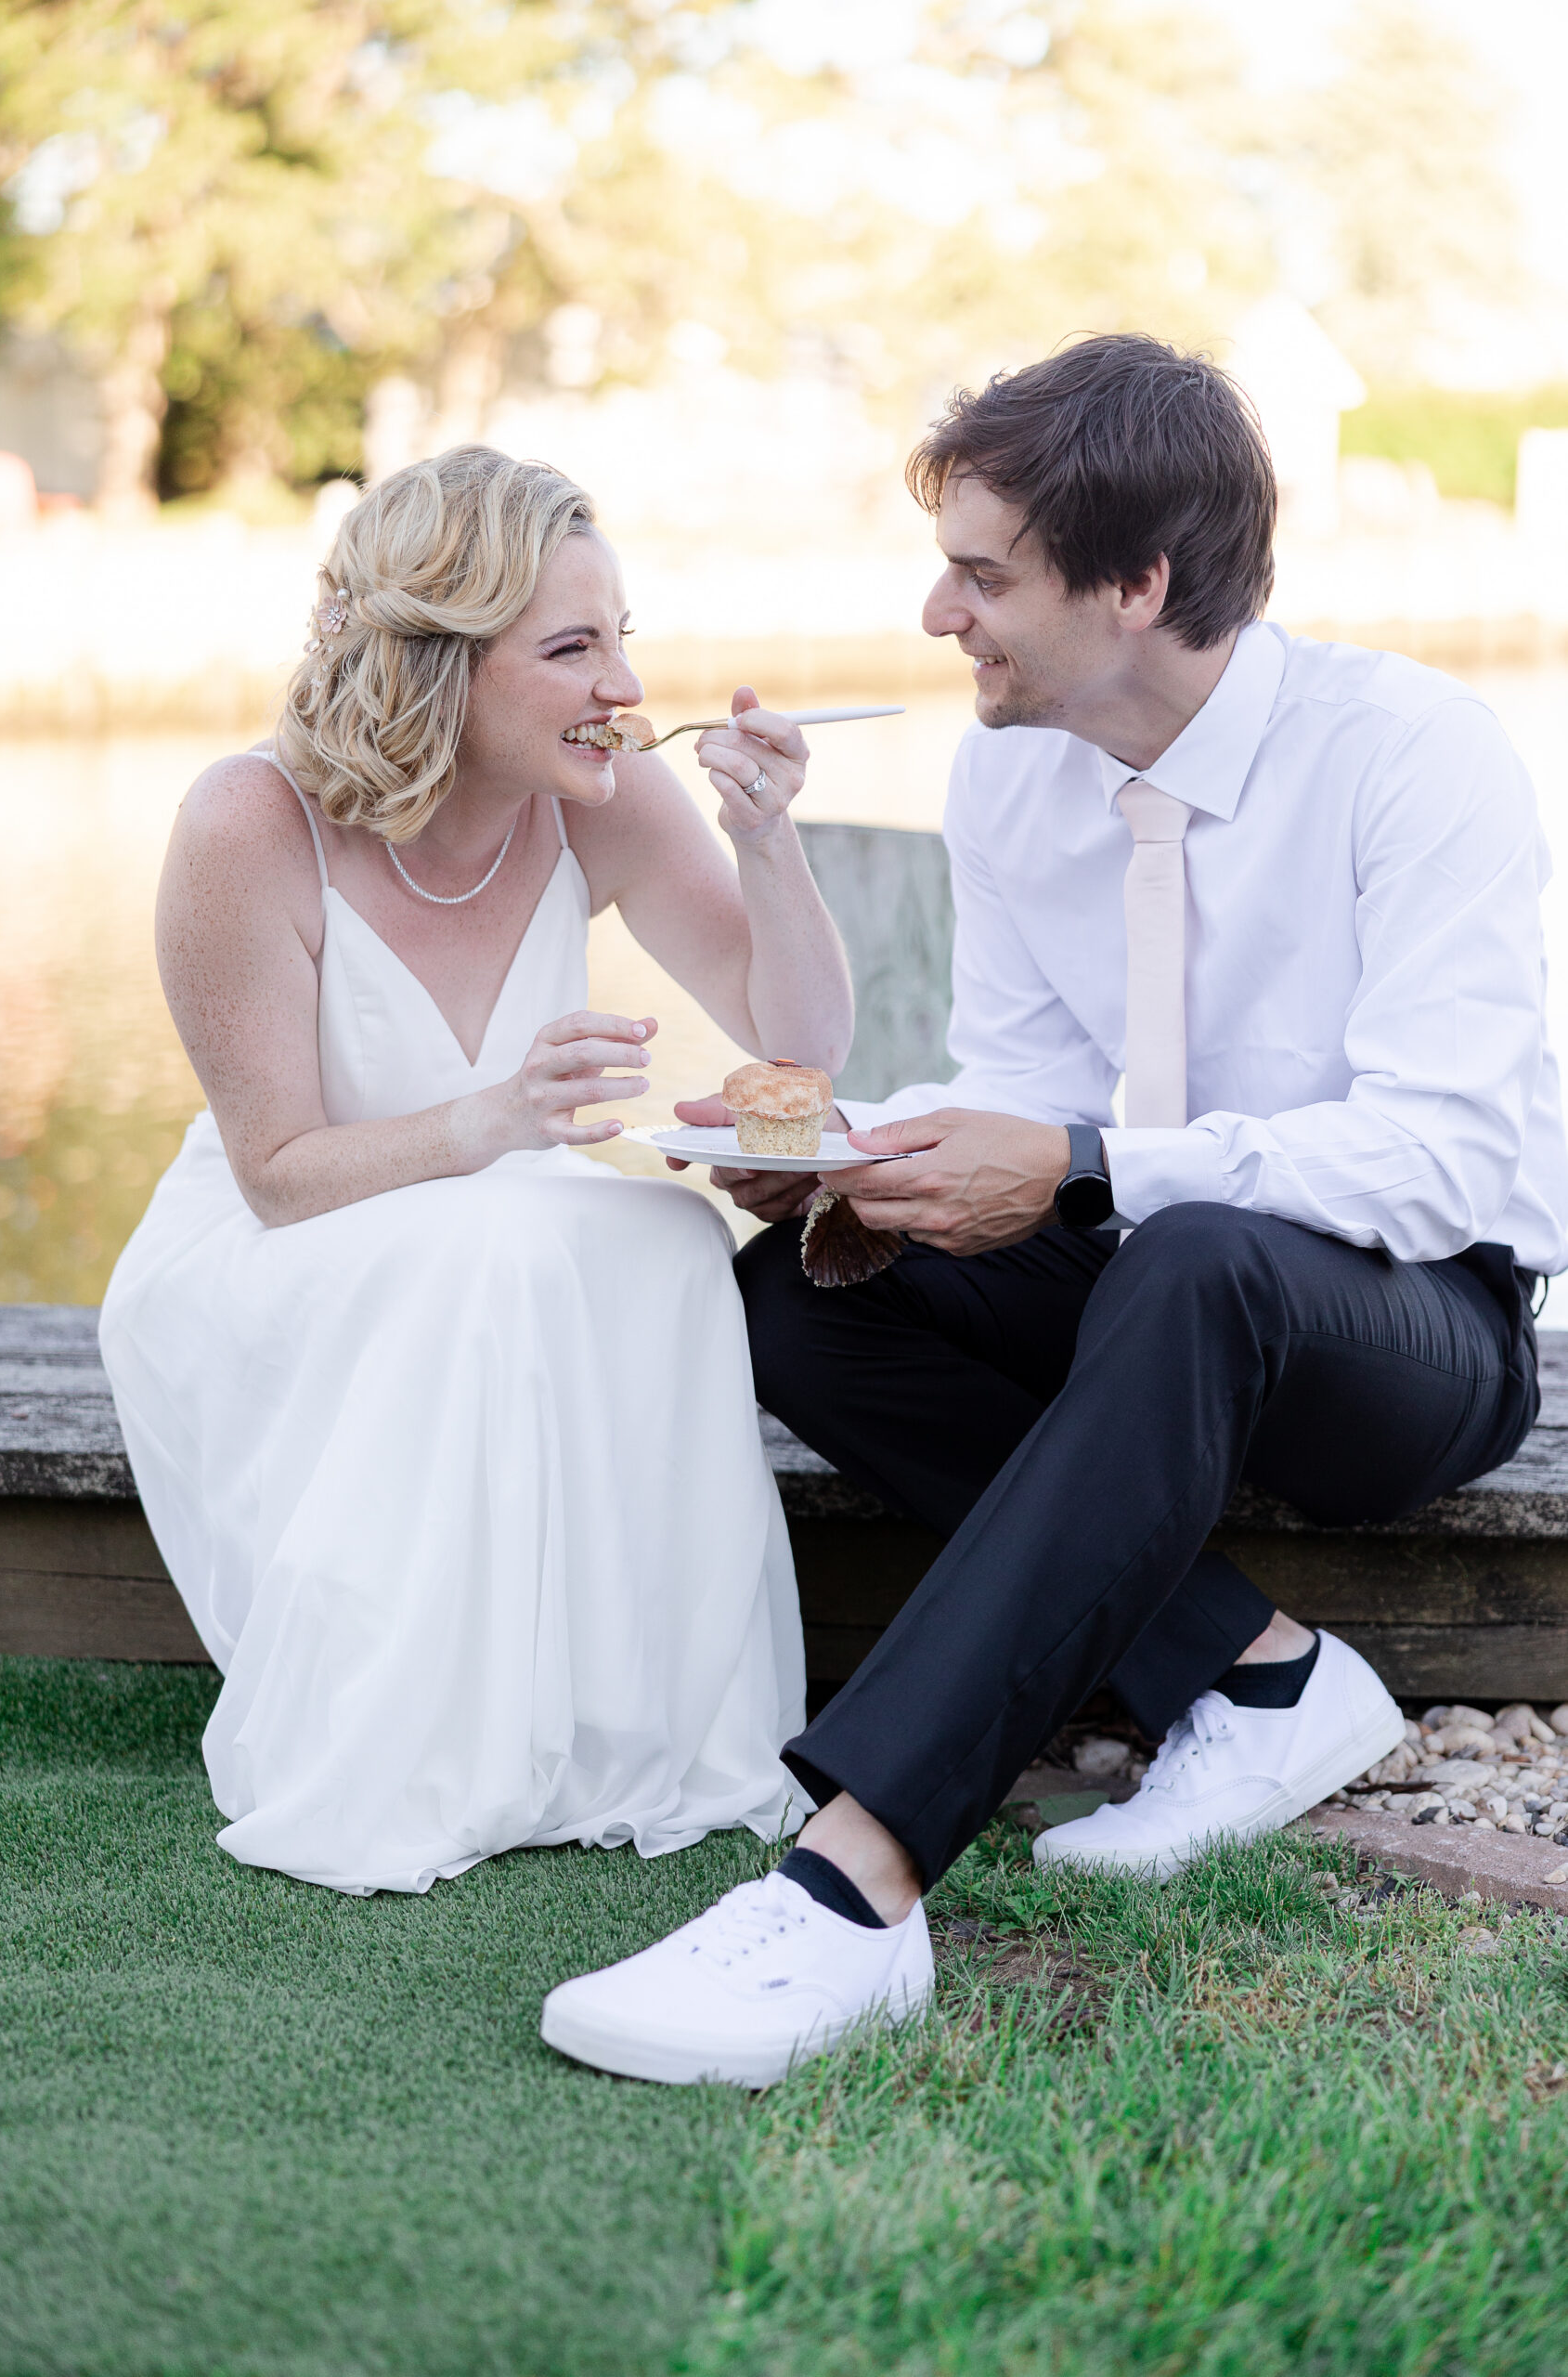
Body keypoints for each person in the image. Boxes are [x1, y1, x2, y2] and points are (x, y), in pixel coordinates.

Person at [540, 334, 1566, 2089]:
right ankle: (1251, 1674)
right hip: (1152, 1285)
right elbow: (1023, 1103)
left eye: (982, 573)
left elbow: (1450, 1162)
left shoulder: (1411, 751)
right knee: (801, 1293)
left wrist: (1093, 1171)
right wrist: (872, 1173)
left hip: (1411, 1334)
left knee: (1196, 1252)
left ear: (1139, 582)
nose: (942, 615)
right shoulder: (1009, 776)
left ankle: (852, 1885)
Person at [99, 445, 850, 1895]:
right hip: (279, 1251)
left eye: (625, 642)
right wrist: (497, 1120)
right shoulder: (246, 824)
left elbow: (795, 1044)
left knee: (671, 1243)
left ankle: (626, 1732)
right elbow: (276, 1173)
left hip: (496, 1218)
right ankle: (425, 1742)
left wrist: (768, 845)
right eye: (573, 648)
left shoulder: (606, 791)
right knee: (506, 1240)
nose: (624, 689)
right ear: (439, 658)